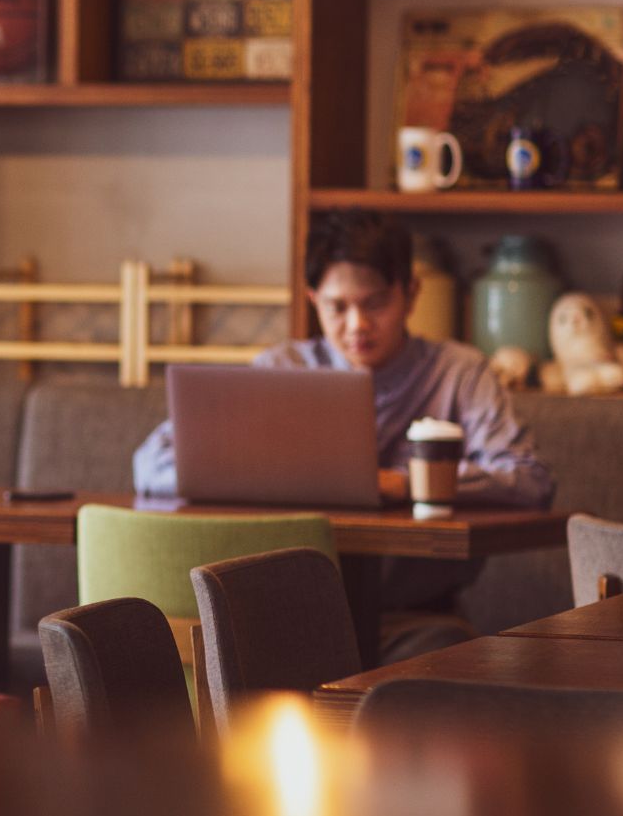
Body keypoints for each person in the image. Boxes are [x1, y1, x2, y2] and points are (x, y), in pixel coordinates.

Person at [132, 209, 554, 633]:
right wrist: (263, 477)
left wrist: (408, 483)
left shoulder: (459, 372)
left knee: (440, 644)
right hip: (283, 620)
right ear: (313, 299)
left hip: (414, 619)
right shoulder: (281, 369)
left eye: (375, 303)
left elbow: (528, 478)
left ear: (411, 293)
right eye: (337, 307)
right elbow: (150, 464)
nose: (357, 326)